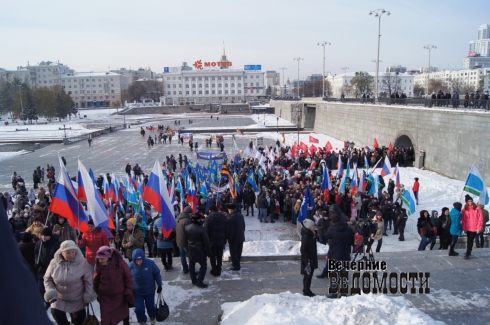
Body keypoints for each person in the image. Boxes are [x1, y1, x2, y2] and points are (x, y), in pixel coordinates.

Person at [43, 240, 96, 325]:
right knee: (55, 313)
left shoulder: (82, 262)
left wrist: (88, 294)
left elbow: (88, 280)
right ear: (62, 253)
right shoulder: (54, 262)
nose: (71, 255)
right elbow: (47, 278)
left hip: (77, 298)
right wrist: (50, 291)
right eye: (68, 253)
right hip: (60, 297)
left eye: (73, 252)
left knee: (79, 320)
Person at [93, 246, 134, 325]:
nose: (100, 260)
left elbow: (128, 278)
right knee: (106, 319)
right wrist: (96, 292)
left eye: (102, 258)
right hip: (105, 297)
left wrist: (128, 290)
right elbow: (96, 279)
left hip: (120, 296)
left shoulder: (120, 263)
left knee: (123, 314)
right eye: (99, 258)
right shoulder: (99, 264)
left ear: (108, 257)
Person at [129, 248, 163, 325]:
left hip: (149, 290)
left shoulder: (150, 263)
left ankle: (152, 317)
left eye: (140, 260)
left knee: (150, 306)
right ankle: (142, 321)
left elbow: (157, 273)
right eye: (137, 260)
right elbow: (126, 278)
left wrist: (159, 285)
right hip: (137, 292)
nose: (139, 262)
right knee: (139, 309)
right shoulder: (130, 266)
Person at [35, 227, 61, 307]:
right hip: (42, 269)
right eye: (42, 235)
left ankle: (53, 301)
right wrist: (37, 262)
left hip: (53, 269)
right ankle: (44, 302)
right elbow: (36, 253)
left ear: (50, 236)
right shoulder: (39, 243)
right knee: (40, 288)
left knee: (51, 286)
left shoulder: (56, 243)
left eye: (46, 236)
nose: (44, 237)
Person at [185, 213, 212, 288]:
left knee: (191, 264)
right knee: (203, 265)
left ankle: (194, 280)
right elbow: (206, 242)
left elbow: (185, 240)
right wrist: (209, 252)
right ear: (198, 219)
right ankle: (199, 281)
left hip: (191, 249)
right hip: (200, 250)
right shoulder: (201, 229)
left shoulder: (187, 228)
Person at [204, 205, 227, 276]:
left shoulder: (208, 218)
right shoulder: (223, 217)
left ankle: (214, 269)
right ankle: (219, 269)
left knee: (212, 256)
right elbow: (226, 228)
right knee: (219, 256)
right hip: (221, 240)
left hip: (212, 241)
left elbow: (206, 230)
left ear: (210, 210)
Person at [300, 218, 318, 297]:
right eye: (313, 225)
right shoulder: (307, 236)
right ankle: (306, 291)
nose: (314, 226)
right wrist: (309, 258)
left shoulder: (311, 234)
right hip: (308, 260)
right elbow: (303, 249)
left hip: (310, 258)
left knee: (308, 275)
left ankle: (306, 289)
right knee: (308, 275)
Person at [462, 195, 483, 259]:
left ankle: (467, 253)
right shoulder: (465, 209)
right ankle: (469, 250)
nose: (470, 202)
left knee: (470, 240)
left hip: (474, 228)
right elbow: (463, 220)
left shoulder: (477, 208)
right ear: (466, 202)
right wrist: (464, 228)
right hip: (468, 227)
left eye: (471, 201)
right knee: (469, 240)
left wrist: (479, 228)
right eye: (469, 201)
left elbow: (480, 218)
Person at [226, 203, 245, 271]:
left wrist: (229, 240)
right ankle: (237, 262)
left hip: (234, 239)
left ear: (230, 210)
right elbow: (243, 226)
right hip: (241, 237)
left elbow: (230, 231)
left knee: (233, 252)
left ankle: (236, 265)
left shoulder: (231, 219)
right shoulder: (241, 216)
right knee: (239, 252)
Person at [176, 206, 193, 274]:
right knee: (190, 257)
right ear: (188, 213)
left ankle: (185, 269)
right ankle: (192, 270)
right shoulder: (187, 220)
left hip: (179, 240)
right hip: (186, 241)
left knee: (182, 256)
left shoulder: (178, 218)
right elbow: (189, 232)